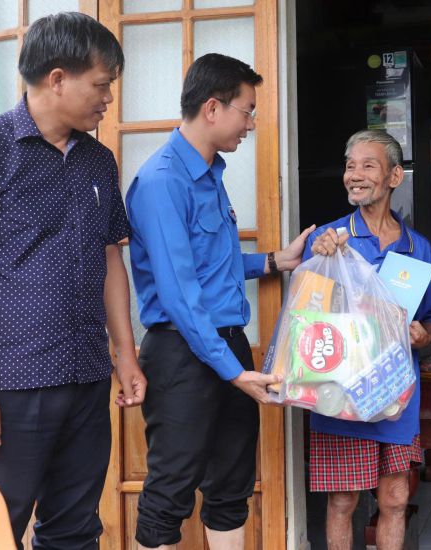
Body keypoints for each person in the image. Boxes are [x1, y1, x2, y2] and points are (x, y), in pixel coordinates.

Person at [0, 12, 146, 549]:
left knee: (75, 529)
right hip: (10, 384)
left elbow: (110, 260)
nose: (108, 99)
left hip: (87, 377)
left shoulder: (98, 161)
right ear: (56, 79)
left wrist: (125, 354)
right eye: (101, 85)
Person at [126, 53, 313, 550]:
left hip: (226, 346)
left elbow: (214, 265)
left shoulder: (211, 174)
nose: (251, 124)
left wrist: (275, 261)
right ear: (213, 108)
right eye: (247, 111)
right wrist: (232, 371)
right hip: (183, 353)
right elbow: (180, 294)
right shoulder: (163, 180)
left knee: (230, 485)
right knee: (171, 489)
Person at [305, 129, 431, 550]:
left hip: (397, 392)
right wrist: (318, 254)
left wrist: (426, 333)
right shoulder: (330, 240)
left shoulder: (416, 248)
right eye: (350, 166)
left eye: (368, 165)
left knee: (396, 497)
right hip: (341, 393)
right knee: (344, 499)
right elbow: (306, 316)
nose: (355, 175)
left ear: (394, 177)